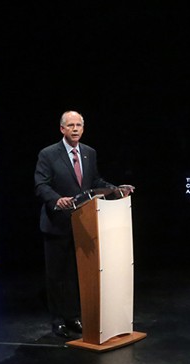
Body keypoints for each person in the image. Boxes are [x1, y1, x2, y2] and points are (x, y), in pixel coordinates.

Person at [34, 111, 133, 338]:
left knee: (77, 274)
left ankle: (73, 315)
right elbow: (41, 184)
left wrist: (116, 189)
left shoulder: (89, 153)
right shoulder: (48, 154)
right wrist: (56, 200)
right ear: (62, 129)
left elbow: (94, 181)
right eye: (71, 125)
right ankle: (58, 320)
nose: (75, 129)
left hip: (84, 223)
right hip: (57, 223)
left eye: (79, 125)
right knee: (57, 275)